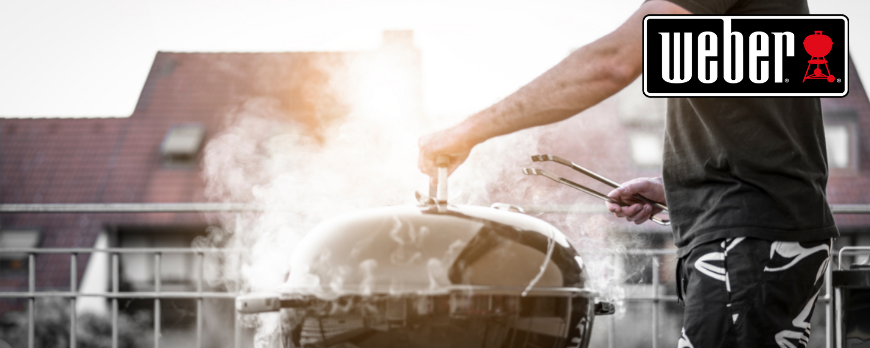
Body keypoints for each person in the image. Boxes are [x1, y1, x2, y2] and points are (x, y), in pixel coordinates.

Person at [417, 0, 838, 346]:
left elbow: (613, 62)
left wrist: (466, 131)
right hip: (761, 232)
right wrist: (681, 189)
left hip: (751, 240)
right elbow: (767, 123)